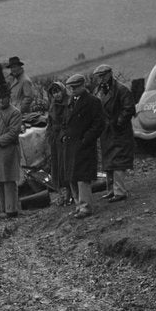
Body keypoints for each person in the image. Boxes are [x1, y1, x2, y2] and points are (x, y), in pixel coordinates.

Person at [62, 73, 106, 219]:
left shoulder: (93, 102)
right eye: (71, 87)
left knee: (82, 177)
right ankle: (78, 205)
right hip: (71, 144)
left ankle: (85, 207)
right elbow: (66, 121)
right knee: (72, 177)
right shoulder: (71, 101)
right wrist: (64, 135)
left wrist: (86, 139)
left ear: (83, 86)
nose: (73, 90)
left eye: (75, 87)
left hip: (84, 145)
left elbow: (98, 124)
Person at [93, 64, 136, 202]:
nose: (100, 79)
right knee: (108, 161)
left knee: (118, 161)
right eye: (98, 76)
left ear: (109, 74)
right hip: (105, 131)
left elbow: (129, 108)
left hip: (119, 131)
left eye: (102, 75)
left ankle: (120, 191)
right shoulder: (98, 90)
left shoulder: (121, 89)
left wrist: (118, 122)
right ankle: (111, 190)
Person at [0, 82, 24, 218]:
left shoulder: (15, 113)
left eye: (4, 97)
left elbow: (13, 133)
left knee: (9, 180)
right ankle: (3, 209)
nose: (1, 100)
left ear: (9, 97)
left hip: (8, 151)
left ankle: (11, 210)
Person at [45, 81, 73, 206]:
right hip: (56, 141)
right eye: (54, 93)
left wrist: (63, 134)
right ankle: (64, 194)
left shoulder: (69, 103)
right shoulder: (53, 106)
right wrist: (50, 134)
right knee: (58, 167)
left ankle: (72, 193)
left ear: (63, 90)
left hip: (66, 139)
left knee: (68, 166)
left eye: (58, 91)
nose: (56, 95)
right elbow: (50, 122)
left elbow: (69, 122)